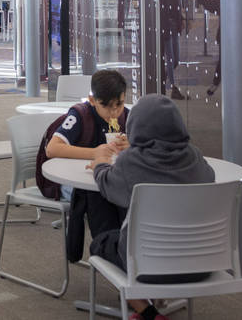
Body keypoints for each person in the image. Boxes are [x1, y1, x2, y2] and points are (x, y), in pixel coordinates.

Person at [87, 94, 216, 320]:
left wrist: (99, 165)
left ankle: (147, 311)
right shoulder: (195, 157)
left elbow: (107, 186)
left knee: (100, 242)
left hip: (147, 267)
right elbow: (209, 178)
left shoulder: (132, 161)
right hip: (201, 263)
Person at [35, 70, 129, 263]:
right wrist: (95, 153)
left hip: (107, 179)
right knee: (103, 196)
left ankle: (122, 248)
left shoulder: (126, 116)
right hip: (71, 182)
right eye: (107, 106)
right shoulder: (80, 115)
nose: (114, 112)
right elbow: (52, 149)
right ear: (92, 100)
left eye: (119, 104)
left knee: (121, 193)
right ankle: (109, 250)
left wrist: (131, 146)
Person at [159, 0, 185, 100]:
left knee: (176, 60)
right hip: (166, 29)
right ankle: (174, 88)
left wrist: (183, 21)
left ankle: (164, 77)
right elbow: (162, 14)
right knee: (170, 59)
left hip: (175, 29)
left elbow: (178, 12)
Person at [190, 0, 221, 95]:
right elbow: (212, 3)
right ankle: (216, 83)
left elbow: (212, 3)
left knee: (224, 61)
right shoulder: (227, 0)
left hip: (228, 37)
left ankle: (216, 83)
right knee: (223, 61)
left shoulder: (228, 0)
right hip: (227, 37)